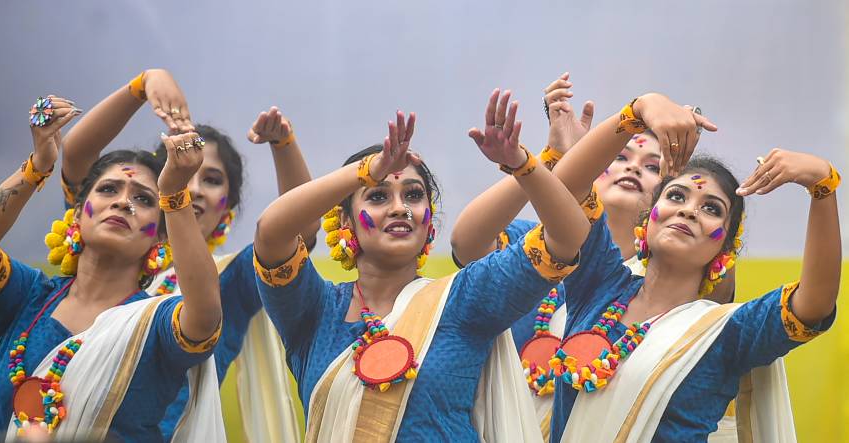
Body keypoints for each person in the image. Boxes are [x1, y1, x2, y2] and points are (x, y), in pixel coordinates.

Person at [252, 89, 591, 441]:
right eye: (378, 195)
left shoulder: (463, 299)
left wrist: (524, 164)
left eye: (413, 195)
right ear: (346, 222)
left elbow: (568, 238)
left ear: (429, 222)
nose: (400, 208)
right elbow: (270, 232)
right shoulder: (314, 312)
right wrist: (367, 170)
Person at [539, 92, 840, 442]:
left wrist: (823, 186)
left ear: (725, 249)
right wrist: (638, 109)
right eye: (677, 196)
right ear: (646, 221)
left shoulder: (725, 333)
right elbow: (565, 188)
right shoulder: (600, 283)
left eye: (712, 208)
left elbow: (814, 303)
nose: (689, 210)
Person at [451, 74, 735, 440]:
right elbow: (467, 244)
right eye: (618, 157)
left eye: (654, 167)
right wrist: (553, 161)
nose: (633, 168)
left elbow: (720, 278)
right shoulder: (539, 241)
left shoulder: (675, 279)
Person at [59, 69, 317, 441]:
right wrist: (142, 83)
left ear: (227, 211)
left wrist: (284, 143)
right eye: (180, 171)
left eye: (210, 179)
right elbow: (76, 156)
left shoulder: (229, 281)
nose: (191, 188)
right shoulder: (103, 251)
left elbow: (300, 231)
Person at [0, 95, 225, 441]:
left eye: (143, 199)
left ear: (159, 239)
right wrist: (38, 165)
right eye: (109, 189)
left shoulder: (152, 323)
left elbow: (204, 315)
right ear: (78, 215)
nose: (123, 201)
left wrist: (173, 193)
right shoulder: (29, 299)